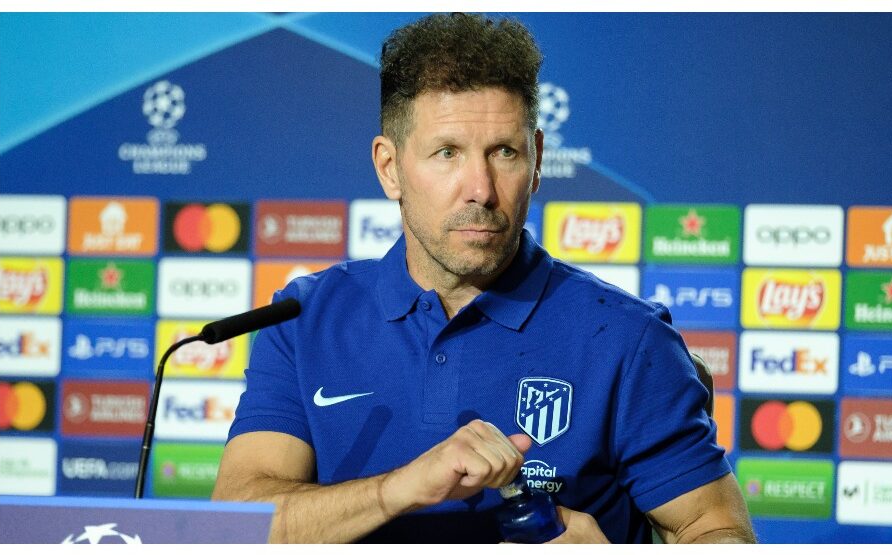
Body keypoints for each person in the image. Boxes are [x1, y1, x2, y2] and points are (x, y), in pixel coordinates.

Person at [212, 13, 756, 544]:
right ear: (389, 168)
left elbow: (717, 531)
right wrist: (399, 489)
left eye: (504, 152)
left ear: (536, 161)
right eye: (447, 153)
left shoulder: (628, 338)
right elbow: (235, 526)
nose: (481, 189)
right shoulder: (304, 321)